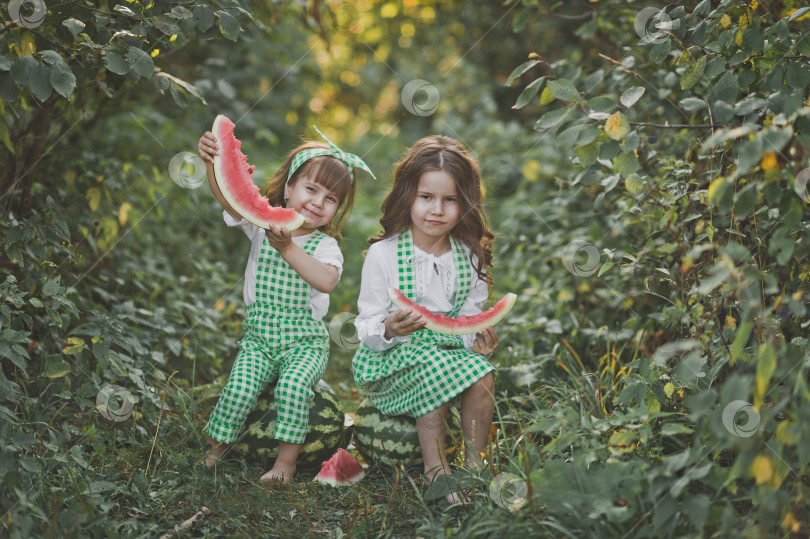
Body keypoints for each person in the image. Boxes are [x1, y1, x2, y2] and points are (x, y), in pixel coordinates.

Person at [197, 124, 375, 483]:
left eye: (330, 199)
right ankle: (215, 451)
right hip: (259, 337)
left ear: (337, 209)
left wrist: (289, 248)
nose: (317, 203)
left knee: (293, 390)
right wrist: (212, 163)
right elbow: (230, 197)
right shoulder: (260, 225)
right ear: (290, 187)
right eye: (311, 189)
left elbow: (326, 280)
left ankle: (285, 465)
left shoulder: (326, 247)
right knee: (239, 388)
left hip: (303, 342)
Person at [352, 135, 499, 504]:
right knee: (433, 372)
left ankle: (475, 465)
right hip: (394, 355)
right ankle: (437, 473)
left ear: (464, 204)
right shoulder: (383, 255)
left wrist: (476, 340)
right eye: (426, 197)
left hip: (448, 348)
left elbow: (468, 315)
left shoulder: (467, 254)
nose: (437, 210)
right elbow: (366, 321)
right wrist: (388, 328)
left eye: (450, 200)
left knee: (483, 376)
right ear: (408, 197)